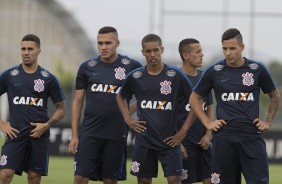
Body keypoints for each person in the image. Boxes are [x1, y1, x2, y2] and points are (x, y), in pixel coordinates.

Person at [189, 28, 280, 184]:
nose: (228, 53)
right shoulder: (214, 71)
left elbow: (275, 95)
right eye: (225, 48)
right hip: (223, 138)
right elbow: (194, 98)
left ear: (242, 47)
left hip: (251, 136)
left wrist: (268, 121)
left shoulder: (256, 69)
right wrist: (208, 123)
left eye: (232, 48)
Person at [116, 33, 196, 184]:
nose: (152, 54)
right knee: (144, 182)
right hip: (144, 140)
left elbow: (195, 102)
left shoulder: (176, 75)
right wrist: (128, 119)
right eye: (148, 51)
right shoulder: (136, 76)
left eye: (155, 50)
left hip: (170, 141)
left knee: (174, 181)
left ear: (162, 50)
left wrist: (183, 132)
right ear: (143, 52)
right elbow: (120, 96)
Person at [68, 26, 142, 184]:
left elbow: (148, 91)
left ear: (117, 43)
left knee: (110, 180)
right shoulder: (87, 67)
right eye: (100, 43)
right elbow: (77, 102)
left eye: (108, 43)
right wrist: (74, 135)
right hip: (90, 131)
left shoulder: (131, 66)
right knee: (80, 177)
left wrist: (128, 111)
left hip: (116, 132)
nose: (103, 47)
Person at [0, 34, 66, 184]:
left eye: (30, 49)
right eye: (23, 49)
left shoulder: (48, 78)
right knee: (4, 175)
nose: (26, 52)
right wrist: (3, 125)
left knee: (34, 178)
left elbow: (61, 109)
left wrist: (47, 125)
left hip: (39, 136)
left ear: (38, 51)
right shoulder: (10, 75)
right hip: (15, 135)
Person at [178, 38, 214, 184]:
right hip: (184, 142)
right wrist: (177, 142)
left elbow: (209, 107)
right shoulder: (176, 79)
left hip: (204, 141)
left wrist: (208, 134)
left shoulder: (204, 77)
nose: (202, 55)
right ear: (186, 55)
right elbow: (167, 114)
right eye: (198, 52)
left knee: (212, 180)